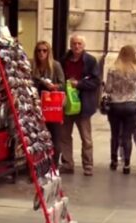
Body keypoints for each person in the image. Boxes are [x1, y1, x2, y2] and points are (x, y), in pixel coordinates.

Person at [59, 35, 100, 176]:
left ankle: (88, 166)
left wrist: (79, 84)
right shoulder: (64, 60)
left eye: (79, 44)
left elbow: (96, 82)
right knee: (64, 136)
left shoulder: (90, 61)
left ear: (84, 45)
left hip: (83, 105)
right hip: (67, 104)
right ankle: (67, 163)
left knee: (86, 138)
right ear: (70, 45)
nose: (76, 46)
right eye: (74, 43)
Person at [104, 45, 136, 175]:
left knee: (115, 134)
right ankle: (127, 164)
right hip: (131, 105)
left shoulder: (113, 69)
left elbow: (108, 89)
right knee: (127, 136)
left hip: (115, 105)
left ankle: (114, 160)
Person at [31, 41, 65, 165]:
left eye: (44, 50)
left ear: (49, 52)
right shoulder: (33, 66)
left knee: (55, 136)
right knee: (38, 137)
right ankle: (40, 164)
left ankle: (54, 164)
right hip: (37, 105)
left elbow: (63, 84)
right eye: (39, 50)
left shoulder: (55, 65)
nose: (41, 53)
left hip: (52, 105)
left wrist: (53, 86)